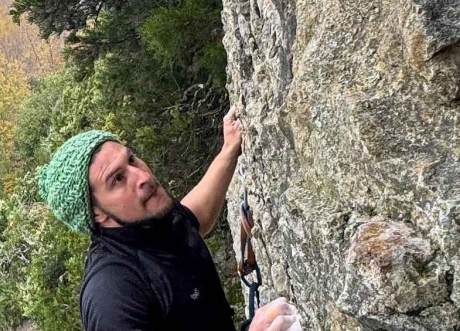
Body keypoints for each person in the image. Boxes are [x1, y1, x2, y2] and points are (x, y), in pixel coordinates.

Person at [39, 108, 302, 331]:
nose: (141, 177)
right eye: (117, 179)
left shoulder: (150, 222)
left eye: (131, 159)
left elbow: (196, 216)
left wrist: (229, 149)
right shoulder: (113, 294)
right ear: (96, 213)